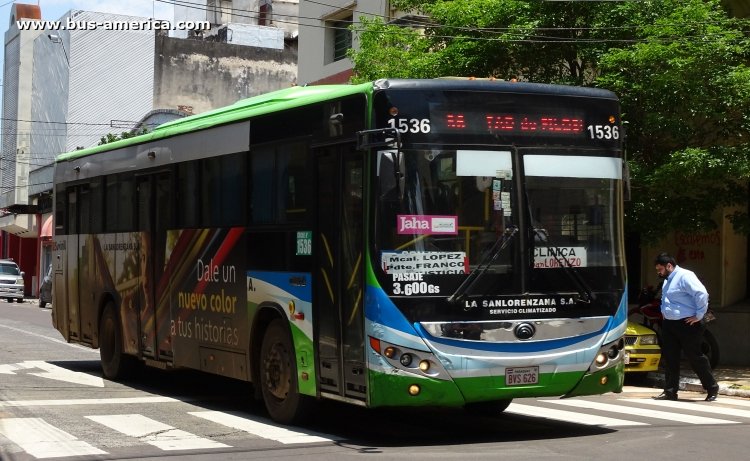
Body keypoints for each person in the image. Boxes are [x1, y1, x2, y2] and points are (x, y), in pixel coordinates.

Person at [652, 252, 719, 402]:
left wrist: (699, 315)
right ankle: (670, 391)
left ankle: (712, 388)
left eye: (660, 269)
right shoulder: (667, 280)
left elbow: (701, 293)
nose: (658, 272)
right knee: (670, 358)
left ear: (669, 266)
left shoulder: (685, 276)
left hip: (688, 324)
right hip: (670, 324)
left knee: (695, 357)